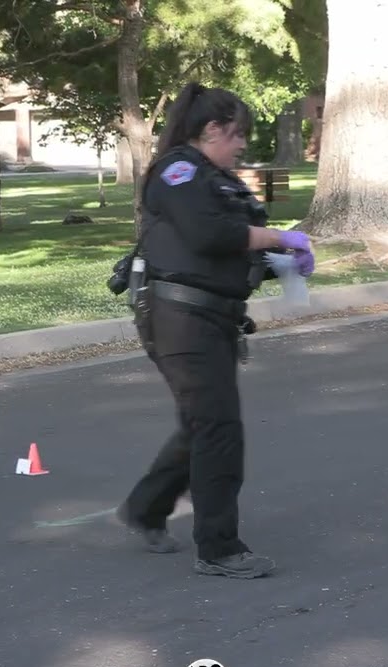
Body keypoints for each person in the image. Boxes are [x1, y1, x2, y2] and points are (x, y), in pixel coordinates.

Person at [114, 82, 315, 579]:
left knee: (202, 425)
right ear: (210, 130)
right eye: (237, 133)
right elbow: (209, 233)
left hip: (211, 317)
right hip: (180, 318)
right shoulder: (178, 172)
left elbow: (222, 247)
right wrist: (279, 236)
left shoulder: (214, 177)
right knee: (219, 429)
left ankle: (146, 508)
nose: (243, 143)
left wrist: (278, 261)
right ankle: (220, 549)